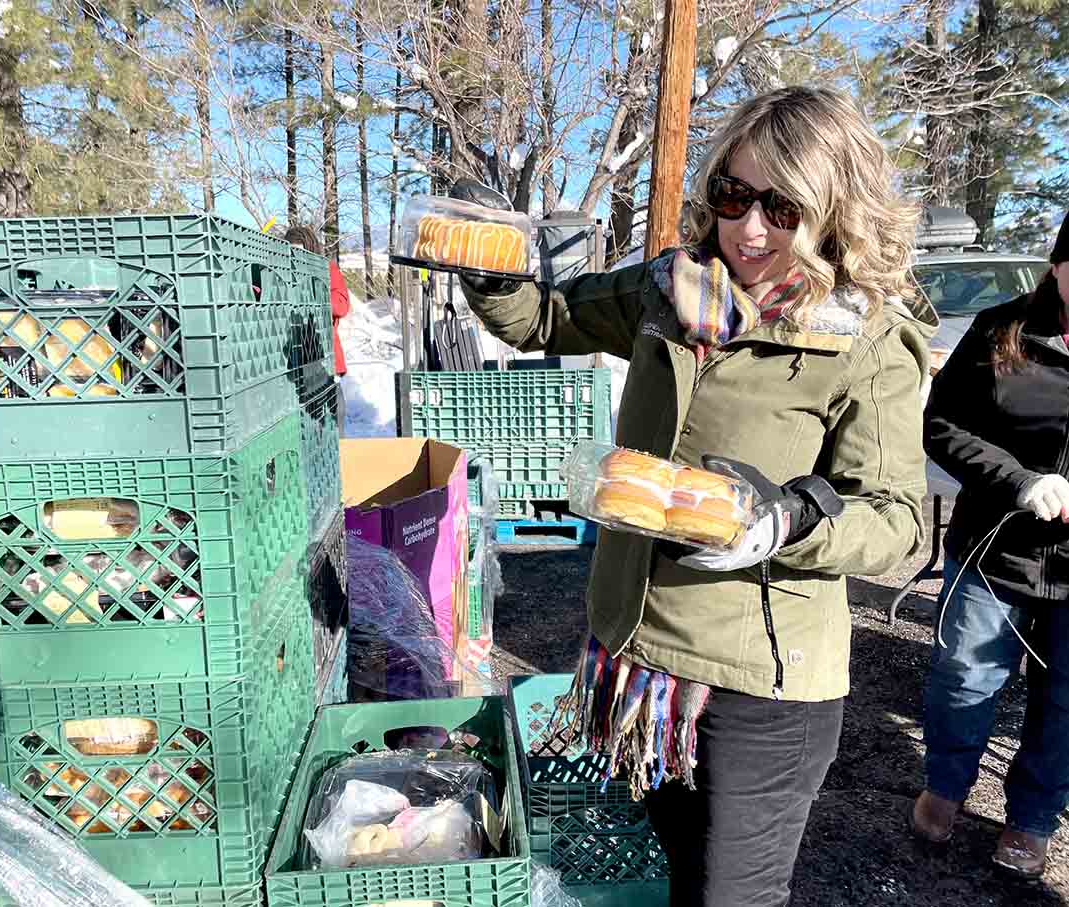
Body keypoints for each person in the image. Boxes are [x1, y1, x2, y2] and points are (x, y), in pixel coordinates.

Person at [452, 86, 935, 906]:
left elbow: (902, 525)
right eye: (734, 195)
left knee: (732, 898)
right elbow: (548, 318)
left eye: (782, 206)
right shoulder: (668, 290)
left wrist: (787, 518)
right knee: (683, 876)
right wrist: (490, 264)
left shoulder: (868, 339)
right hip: (645, 666)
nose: (749, 228)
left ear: (834, 212)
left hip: (758, 689)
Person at [914, 211, 1069, 880]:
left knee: (1065, 700)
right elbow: (942, 426)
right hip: (994, 551)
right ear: (1058, 264)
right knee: (963, 680)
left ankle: (1032, 820)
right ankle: (945, 786)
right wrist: (1021, 481)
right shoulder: (999, 331)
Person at [284, 225, 351, 432]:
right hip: (292, 364)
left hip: (323, 357)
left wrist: (314, 297)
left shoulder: (326, 269)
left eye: (301, 250)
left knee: (332, 418)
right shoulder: (282, 272)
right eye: (292, 250)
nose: (297, 256)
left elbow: (342, 304)